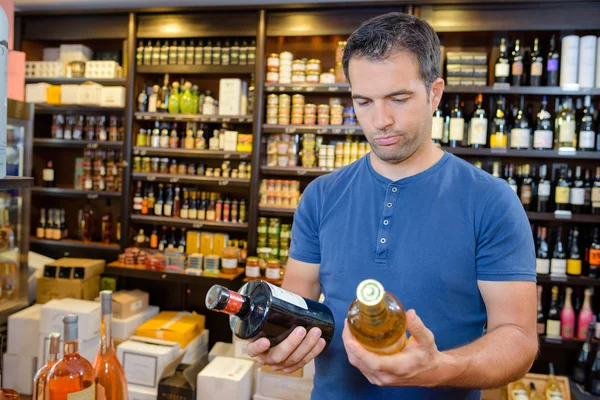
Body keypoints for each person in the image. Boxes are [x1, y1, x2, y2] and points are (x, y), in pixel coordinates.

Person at [247, 12, 538, 400]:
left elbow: (519, 340)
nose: (380, 120)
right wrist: (282, 344)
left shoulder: (491, 202)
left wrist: (441, 369)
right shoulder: (320, 195)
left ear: (434, 93)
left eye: (398, 99)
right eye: (363, 102)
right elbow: (296, 307)